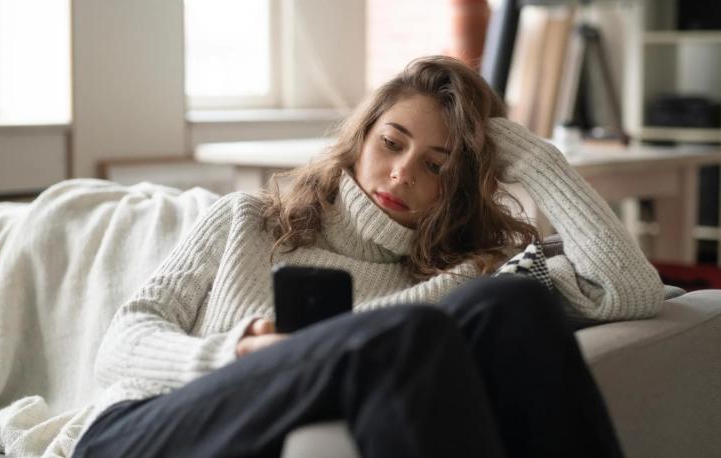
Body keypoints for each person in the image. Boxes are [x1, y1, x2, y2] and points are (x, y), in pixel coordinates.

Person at [72, 56, 663, 458]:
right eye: (392, 142)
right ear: (362, 136)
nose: (403, 171)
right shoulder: (244, 221)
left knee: (511, 298)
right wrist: (238, 348)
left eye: (436, 164)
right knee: (405, 333)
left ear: (458, 185)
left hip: (277, 425)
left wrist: (536, 160)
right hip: (141, 429)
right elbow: (120, 346)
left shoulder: (468, 271)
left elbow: (633, 291)